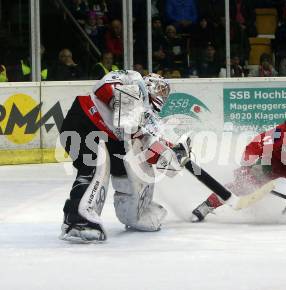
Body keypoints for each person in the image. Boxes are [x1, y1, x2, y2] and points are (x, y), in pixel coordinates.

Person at [59, 70, 191, 242]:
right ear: (149, 84)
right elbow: (103, 87)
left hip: (110, 139)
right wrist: (127, 102)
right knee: (96, 166)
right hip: (83, 122)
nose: (162, 95)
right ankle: (77, 221)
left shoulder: (150, 118)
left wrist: (170, 154)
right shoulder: (131, 79)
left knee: (133, 171)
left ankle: (136, 214)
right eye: (160, 89)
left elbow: (147, 150)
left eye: (165, 92)